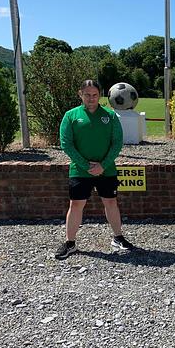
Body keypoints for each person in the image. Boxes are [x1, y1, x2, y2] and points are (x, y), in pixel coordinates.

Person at [54, 80, 134, 260]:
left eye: (95, 95)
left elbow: (117, 142)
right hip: (80, 170)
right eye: (87, 95)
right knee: (76, 205)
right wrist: (86, 165)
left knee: (111, 202)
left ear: (100, 95)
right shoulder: (71, 116)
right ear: (80, 94)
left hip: (106, 169)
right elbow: (66, 144)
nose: (91, 98)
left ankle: (118, 238)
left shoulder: (110, 116)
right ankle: (70, 243)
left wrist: (103, 165)